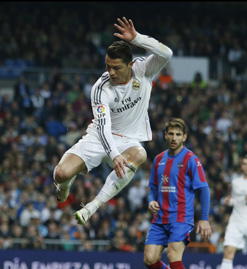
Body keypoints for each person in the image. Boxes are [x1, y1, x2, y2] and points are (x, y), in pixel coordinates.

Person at [53, 17, 173, 225]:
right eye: (108, 66)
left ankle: (92, 207)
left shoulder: (144, 70)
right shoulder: (101, 89)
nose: (111, 72)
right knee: (61, 173)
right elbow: (103, 126)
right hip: (100, 137)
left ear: (130, 64)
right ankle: (64, 186)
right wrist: (114, 154)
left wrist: (137, 38)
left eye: (117, 67)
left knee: (140, 153)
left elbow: (167, 53)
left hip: (128, 139)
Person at [144, 118, 212, 269]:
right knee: (150, 259)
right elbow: (152, 186)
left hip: (181, 218)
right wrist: (151, 200)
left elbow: (204, 189)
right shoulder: (159, 159)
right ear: (166, 136)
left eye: (178, 135)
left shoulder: (191, 159)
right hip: (160, 218)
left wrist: (204, 219)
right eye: (171, 134)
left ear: (184, 137)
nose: (174, 138)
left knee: (173, 255)